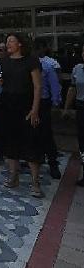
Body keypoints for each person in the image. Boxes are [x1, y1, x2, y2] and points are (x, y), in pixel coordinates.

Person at [0, 34, 44, 198]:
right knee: (11, 143)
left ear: (20, 43)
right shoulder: (4, 61)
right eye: (7, 41)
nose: (8, 44)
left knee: (30, 143)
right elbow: (5, 81)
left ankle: (35, 181)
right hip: (8, 104)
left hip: (26, 105)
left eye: (11, 41)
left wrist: (35, 109)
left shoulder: (31, 61)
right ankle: (13, 175)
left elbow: (38, 86)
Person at [36, 39, 62, 179]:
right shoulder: (28, 65)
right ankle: (37, 157)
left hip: (44, 102)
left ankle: (53, 162)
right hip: (30, 103)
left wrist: (55, 101)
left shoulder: (47, 66)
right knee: (33, 132)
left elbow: (54, 85)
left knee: (46, 133)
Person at [63, 44, 84, 187]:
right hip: (81, 107)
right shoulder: (78, 68)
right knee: (82, 142)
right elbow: (72, 88)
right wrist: (66, 108)